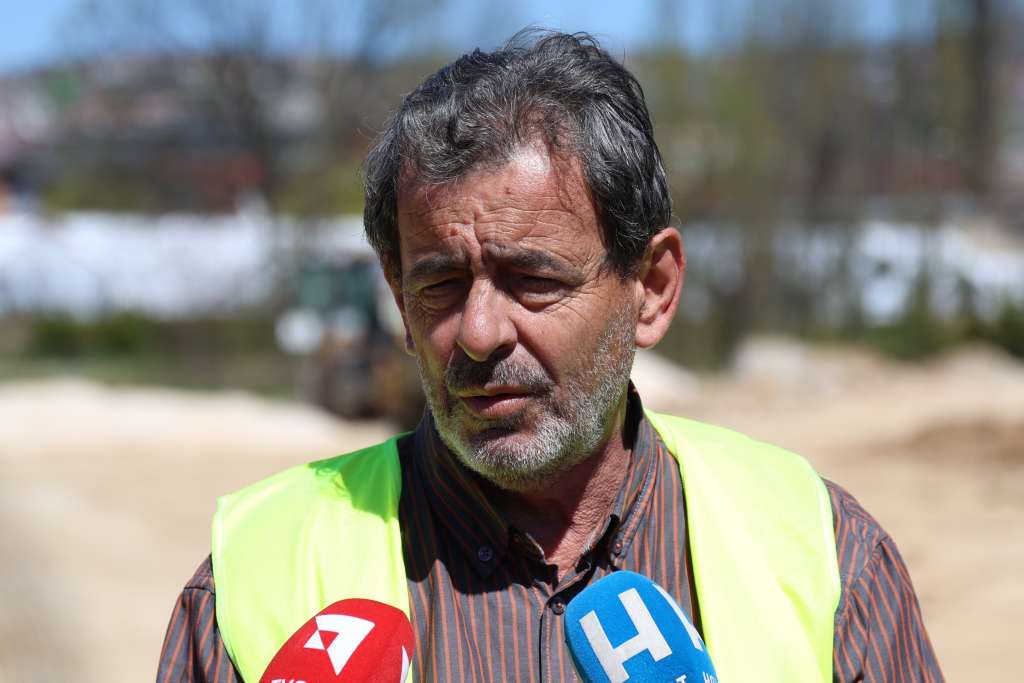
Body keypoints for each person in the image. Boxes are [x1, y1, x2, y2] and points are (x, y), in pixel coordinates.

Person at [157, 30, 944, 682]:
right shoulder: (251, 580)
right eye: (439, 284)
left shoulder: (827, 558)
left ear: (652, 288)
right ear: (398, 299)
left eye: (532, 280)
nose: (478, 332)